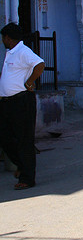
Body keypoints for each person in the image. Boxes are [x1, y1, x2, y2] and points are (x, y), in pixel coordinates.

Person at [0, 23, 44, 190]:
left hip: (22, 101)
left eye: (3, 37)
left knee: (24, 139)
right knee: (4, 136)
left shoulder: (22, 51)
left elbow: (40, 64)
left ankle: (27, 177)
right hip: (7, 102)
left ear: (8, 38)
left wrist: (30, 81)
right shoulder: (10, 53)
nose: (3, 40)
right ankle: (20, 164)